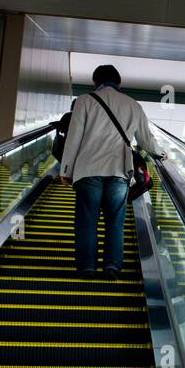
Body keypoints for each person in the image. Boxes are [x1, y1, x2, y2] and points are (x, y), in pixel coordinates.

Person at [58, 64, 165, 279]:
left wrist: (66, 169)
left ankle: (87, 267)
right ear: (119, 82)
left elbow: (73, 138)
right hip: (119, 171)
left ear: (94, 82)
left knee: (87, 221)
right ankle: (112, 267)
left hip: (87, 170)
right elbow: (146, 140)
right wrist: (161, 154)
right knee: (115, 221)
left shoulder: (84, 100)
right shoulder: (133, 105)